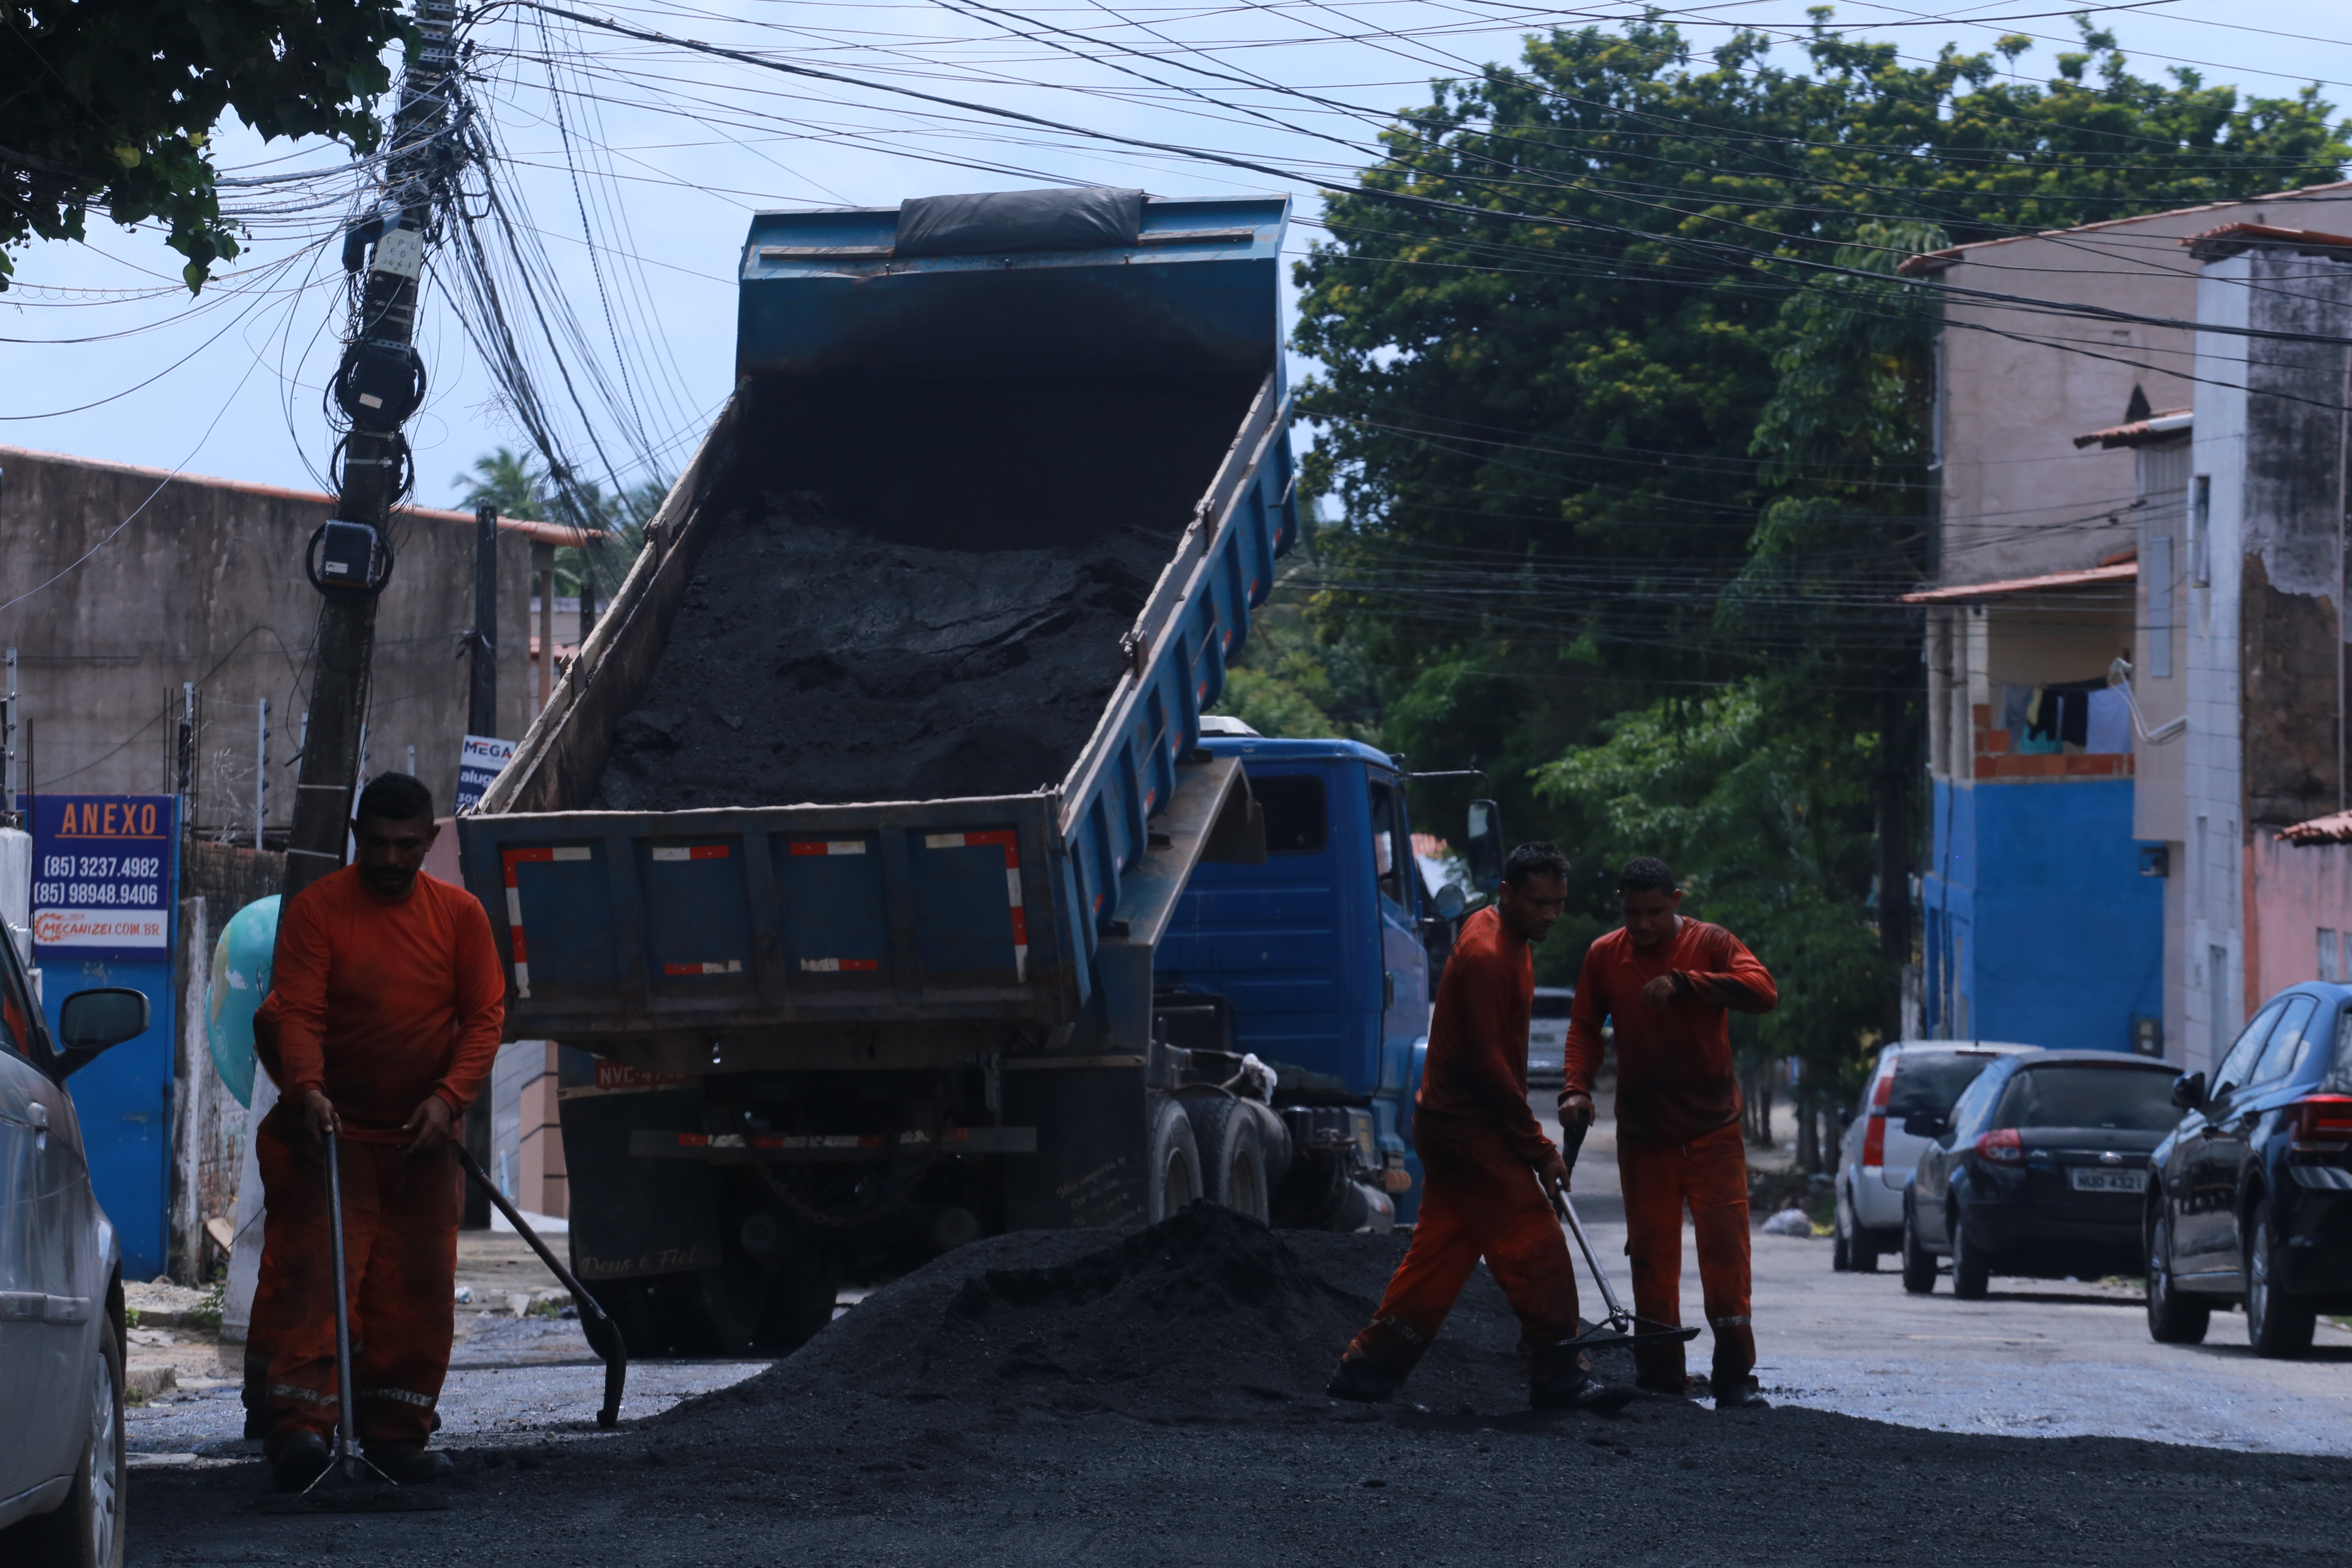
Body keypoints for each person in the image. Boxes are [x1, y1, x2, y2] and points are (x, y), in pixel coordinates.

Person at [248, 772, 505, 1488]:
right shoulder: (320, 912)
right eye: (379, 845)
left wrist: (449, 1099)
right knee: (318, 1281)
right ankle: (300, 1431)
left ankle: (397, 1434)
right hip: (334, 1139)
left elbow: (485, 1018)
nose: (392, 860)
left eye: (408, 846)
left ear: (429, 842)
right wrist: (307, 1091)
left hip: (421, 1145)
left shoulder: (460, 919)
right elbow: (297, 1011)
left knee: (416, 1291)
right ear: (357, 839)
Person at [1328, 842, 1629, 1412]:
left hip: (1452, 1126)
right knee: (1536, 1242)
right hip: (1468, 1131)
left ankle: (1367, 1371)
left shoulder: (1502, 931)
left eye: (1559, 904)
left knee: (1441, 1252)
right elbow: (1490, 1068)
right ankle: (1558, 1372)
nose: (1551, 915)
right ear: (1508, 894)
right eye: (1540, 903)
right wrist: (1539, 1150)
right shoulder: (1490, 953)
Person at [1560, 856, 1778, 1411]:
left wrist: (1687, 984)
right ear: (1620, 906)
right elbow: (1585, 1026)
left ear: (1676, 901)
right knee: (1652, 1261)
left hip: (1713, 1131)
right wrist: (1575, 1089)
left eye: (1655, 912)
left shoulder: (1711, 943)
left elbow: (1762, 991)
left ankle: (1733, 1379)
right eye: (1633, 913)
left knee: (1726, 1256)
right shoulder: (1605, 955)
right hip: (1644, 1137)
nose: (1644, 925)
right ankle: (1660, 1382)